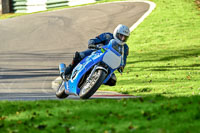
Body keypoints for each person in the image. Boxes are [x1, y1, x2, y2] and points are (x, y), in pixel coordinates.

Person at [61, 24, 130, 86]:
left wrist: (121, 66)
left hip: (109, 63)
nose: (122, 39)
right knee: (79, 55)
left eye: (125, 37)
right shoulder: (107, 36)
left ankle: (94, 82)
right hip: (96, 52)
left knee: (113, 81)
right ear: (116, 33)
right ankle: (67, 73)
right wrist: (92, 44)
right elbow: (93, 40)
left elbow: (123, 59)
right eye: (121, 36)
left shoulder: (125, 48)